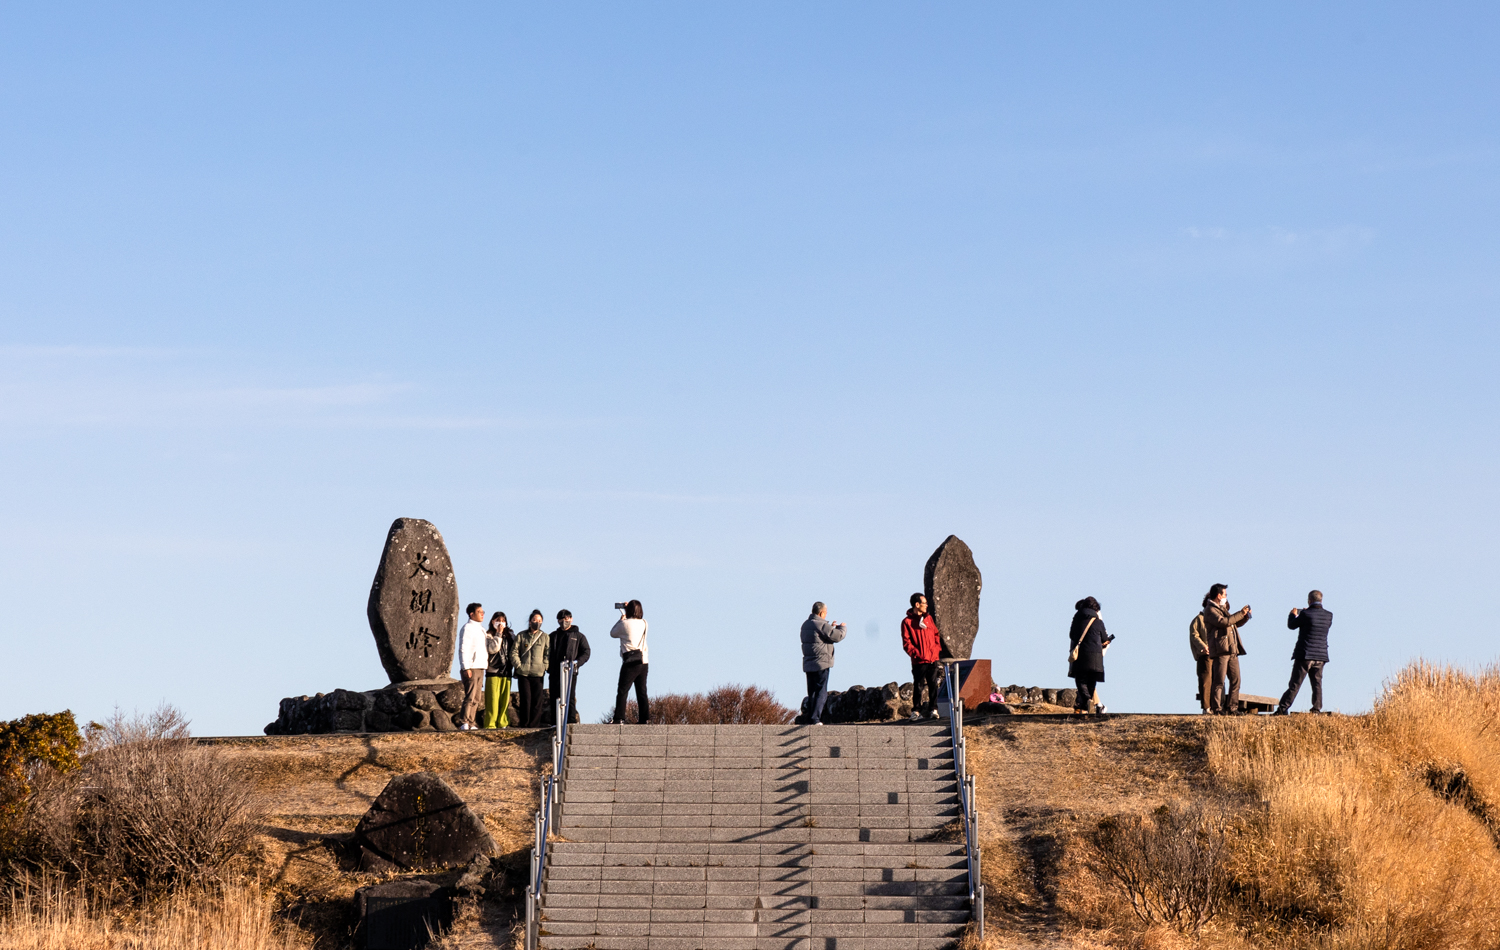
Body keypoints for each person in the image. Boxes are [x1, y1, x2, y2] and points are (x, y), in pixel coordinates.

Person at [1275, 591, 1333, 715]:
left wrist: (1292, 615)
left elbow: (1291, 625)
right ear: (1321, 600)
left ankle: (1283, 708)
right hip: (1321, 655)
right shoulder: (1329, 615)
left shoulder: (1305, 614)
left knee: (1295, 684)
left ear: (1309, 600)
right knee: (1317, 684)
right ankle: (1316, 709)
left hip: (1305, 654)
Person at [1203, 584, 1252, 715]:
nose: (1226, 597)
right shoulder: (1210, 610)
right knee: (1219, 681)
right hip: (1221, 650)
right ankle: (1217, 708)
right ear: (1219, 595)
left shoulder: (1222, 608)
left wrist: (1244, 617)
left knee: (1236, 680)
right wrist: (1240, 613)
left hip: (1232, 649)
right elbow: (1224, 622)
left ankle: (1232, 707)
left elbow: (1232, 624)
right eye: (1225, 594)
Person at [800, 602, 846, 725]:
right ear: (821, 613)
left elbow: (819, 637)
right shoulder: (821, 624)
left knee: (812, 692)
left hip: (809, 663)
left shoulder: (806, 625)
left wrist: (830, 627)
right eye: (825, 613)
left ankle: (810, 718)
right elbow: (837, 636)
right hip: (822, 663)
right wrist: (842, 628)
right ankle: (816, 718)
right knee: (821, 691)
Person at [1067, 597, 1113, 714]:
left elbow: (1072, 635)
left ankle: (1087, 701)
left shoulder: (1076, 619)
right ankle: (1087, 702)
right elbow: (1103, 638)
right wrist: (1106, 641)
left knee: (1081, 680)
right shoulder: (1098, 622)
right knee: (1091, 681)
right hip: (1096, 657)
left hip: (1081, 655)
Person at [901, 593, 942, 720]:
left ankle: (933, 710)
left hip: (932, 658)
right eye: (924, 603)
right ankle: (916, 711)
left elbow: (936, 634)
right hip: (919, 660)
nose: (926, 605)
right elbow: (906, 643)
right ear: (917, 605)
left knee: (933, 685)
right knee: (918, 685)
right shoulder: (907, 622)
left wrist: (936, 650)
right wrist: (917, 654)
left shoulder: (929, 619)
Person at [609, 600, 650, 724]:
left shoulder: (625, 624)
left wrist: (622, 618)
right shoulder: (644, 623)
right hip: (643, 660)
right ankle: (644, 718)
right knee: (642, 691)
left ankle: (619, 717)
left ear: (629, 610)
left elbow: (612, 633)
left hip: (630, 661)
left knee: (622, 690)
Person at [547, 609, 591, 725]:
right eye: (561, 619)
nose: (564, 621)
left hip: (570, 670)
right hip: (555, 671)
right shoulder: (552, 636)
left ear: (571, 619)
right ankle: (555, 722)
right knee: (554, 697)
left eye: (566, 619)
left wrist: (577, 663)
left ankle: (571, 721)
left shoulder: (579, 636)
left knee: (570, 696)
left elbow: (586, 652)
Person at [509, 610, 550, 728]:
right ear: (530, 621)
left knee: (537, 701)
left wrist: (544, 666)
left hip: (538, 673)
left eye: (539, 621)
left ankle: (534, 724)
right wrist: (518, 666)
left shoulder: (545, 637)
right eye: (535, 620)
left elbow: (547, 653)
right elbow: (514, 652)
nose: (537, 623)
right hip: (524, 673)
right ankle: (524, 723)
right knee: (525, 699)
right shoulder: (521, 636)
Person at [457, 603, 488, 731]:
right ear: (472, 614)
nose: (482, 614)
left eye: (483, 611)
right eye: (479, 611)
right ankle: (464, 721)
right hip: (471, 667)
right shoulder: (468, 628)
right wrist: (466, 667)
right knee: (470, 696)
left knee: (477, 697)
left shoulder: (482, 629)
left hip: (480, 667)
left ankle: (471, 721)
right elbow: (464, 648)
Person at [483, 611, 515, 729]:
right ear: (492, 622)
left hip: (506, 670)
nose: (500, 623)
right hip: (493, 670)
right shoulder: (488, 635)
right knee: (492, 700)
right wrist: (498, 634)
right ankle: (490, 724)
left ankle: (502, 723)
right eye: (498, 620)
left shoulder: (511, 636)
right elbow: (493, 649)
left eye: (503, 621)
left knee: (504, 699)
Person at [1189, 611, 1219, 714]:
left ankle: (1217, 707)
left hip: (1218, 654)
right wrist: (1203, 647)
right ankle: (1207, 708)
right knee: (1206, 681)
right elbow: (1194, 635)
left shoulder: (1218, 617)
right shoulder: (1199, 619)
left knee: (1218, 681)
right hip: (1205, 655)